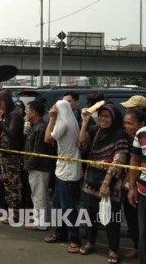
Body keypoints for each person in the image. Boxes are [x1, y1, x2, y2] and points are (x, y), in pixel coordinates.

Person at [78, 103, 129, 263]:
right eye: (101, 116)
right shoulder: (95, 131)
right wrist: (85, 122)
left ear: (114, 118)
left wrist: (106, 184)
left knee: (112, 219)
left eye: (107, 116)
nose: (103, 119)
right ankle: (90, 242)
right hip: (90, 181)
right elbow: (82, 145)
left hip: (110, 184)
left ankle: (113, 250)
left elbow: (118, 161)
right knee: (89, 215)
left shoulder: (120, 135)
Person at [43, 100, 82, 254]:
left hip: (68, 171)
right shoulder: (72, 121)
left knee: (68, 207)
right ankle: (60, 233)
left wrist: (52, 118)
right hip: (63, 169)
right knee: (58, 204)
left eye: (55, 107)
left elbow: (47, 138)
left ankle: (74, 239)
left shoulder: (63, 123)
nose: (52, 109)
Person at [0, 89, 25, 221]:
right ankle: (10, 211)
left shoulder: (15, 115)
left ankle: (15, 213)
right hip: (5, 154)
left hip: (12, 156)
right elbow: (3, 132)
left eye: (1, 102)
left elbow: (12, 133)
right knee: (7, 184)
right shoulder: (7, 114)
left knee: (13, 184)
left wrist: (0, 121)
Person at [24, 100, 56, 231]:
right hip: (37, 167)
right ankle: (43, 219)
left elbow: (38, 151)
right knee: (39, 194)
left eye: (28, 110)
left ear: (34, 112)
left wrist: (28, 165)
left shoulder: (41, 128)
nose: (26, 112)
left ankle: (40, 222)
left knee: (38, 195)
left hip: (39, 167)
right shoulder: (36, 126)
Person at [122, 108, 145, 258]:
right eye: (125, 123)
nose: (127, 126)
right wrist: (132, 187)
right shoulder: (141, 133)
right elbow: (134, 160)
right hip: (143, 191)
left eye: (130, 123)